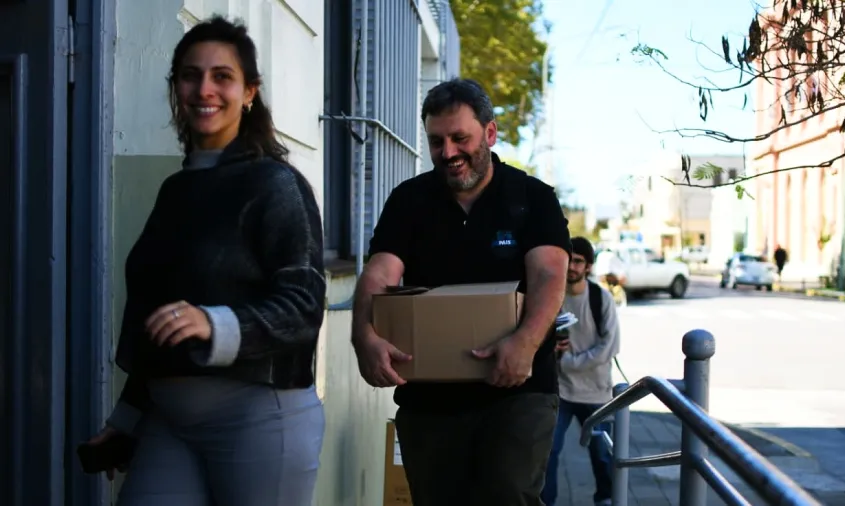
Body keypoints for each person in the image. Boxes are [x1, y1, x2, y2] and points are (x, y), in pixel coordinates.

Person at [83, 16, 326, 506]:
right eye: (190, 75)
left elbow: (303, 304)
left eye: (222, 76)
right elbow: (158, 322)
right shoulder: (176, 190)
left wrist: (216, 324)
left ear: (250, 91)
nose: (204, 89)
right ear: (176, 88)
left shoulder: (275, 184)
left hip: (260, 422)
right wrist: (125, 421)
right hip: (170, 425)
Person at [351, 78, 570, 505]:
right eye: (436, 142)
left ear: (489, 133)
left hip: (517, 391)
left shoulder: (532, 198)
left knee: (507, 494)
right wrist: (363, 336)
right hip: (429, 400)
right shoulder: (409, 201)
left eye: (459, 138)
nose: (448, 152)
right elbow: (379, 274)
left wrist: (525, 344)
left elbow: (549, 274)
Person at [542, 237, 620, 506]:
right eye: (569, 260)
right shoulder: (552, 296)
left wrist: (567, 362)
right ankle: (546, 501)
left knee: (603, 454)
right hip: (561, 392)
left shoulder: (601, 299)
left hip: (596, 393)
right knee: (548, 451)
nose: (572, 267)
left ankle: (607, 499)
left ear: (588, 266)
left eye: (578, 261)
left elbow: (608, 348)